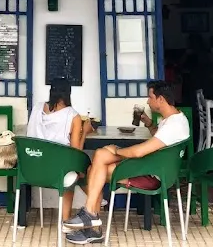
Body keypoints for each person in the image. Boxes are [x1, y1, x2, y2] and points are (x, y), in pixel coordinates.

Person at [62, 81, 190, 244]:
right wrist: (149, 123)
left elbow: (139, 152)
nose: (147, 101)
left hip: (152, 175)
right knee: (100, 157)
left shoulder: (173, 125)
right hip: (153, 167)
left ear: (161, 99)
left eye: (150, 97)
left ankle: (91, 222)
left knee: (95, 167)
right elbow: (160, 138)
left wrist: (116, 151)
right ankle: (90, 217)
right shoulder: (175, 119)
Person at [26, 78, 90, 220]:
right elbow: (75, 154)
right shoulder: (73, 116)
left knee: (77, 172)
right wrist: (84, 132)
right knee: (77, 169)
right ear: (68, 94)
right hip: (57, 173)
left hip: (31, 169)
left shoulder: (36, 108)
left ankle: (95, 198)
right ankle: (67, 219)